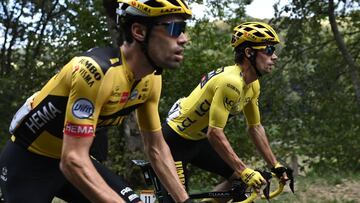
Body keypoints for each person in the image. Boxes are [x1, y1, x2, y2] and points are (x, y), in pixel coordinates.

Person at [0, 0, 194, 202]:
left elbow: (156, 148)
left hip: (75, 159)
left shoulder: (151, 79)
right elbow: (72, 160)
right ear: (139, 31)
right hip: (28, 164)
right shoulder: (95, 72)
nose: (184, 39)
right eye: (175, 28)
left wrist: (184, 200)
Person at [162, 22, 289, 202]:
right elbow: (214, 133)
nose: (274, 56)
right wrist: (244, 170)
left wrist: (275, 165)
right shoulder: (231, 83)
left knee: (240, 183)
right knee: (180, 199)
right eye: (268, 50)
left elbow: (255, 127)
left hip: (198, 141)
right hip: (173, 142)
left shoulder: (253, 85)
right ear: (249, 52)